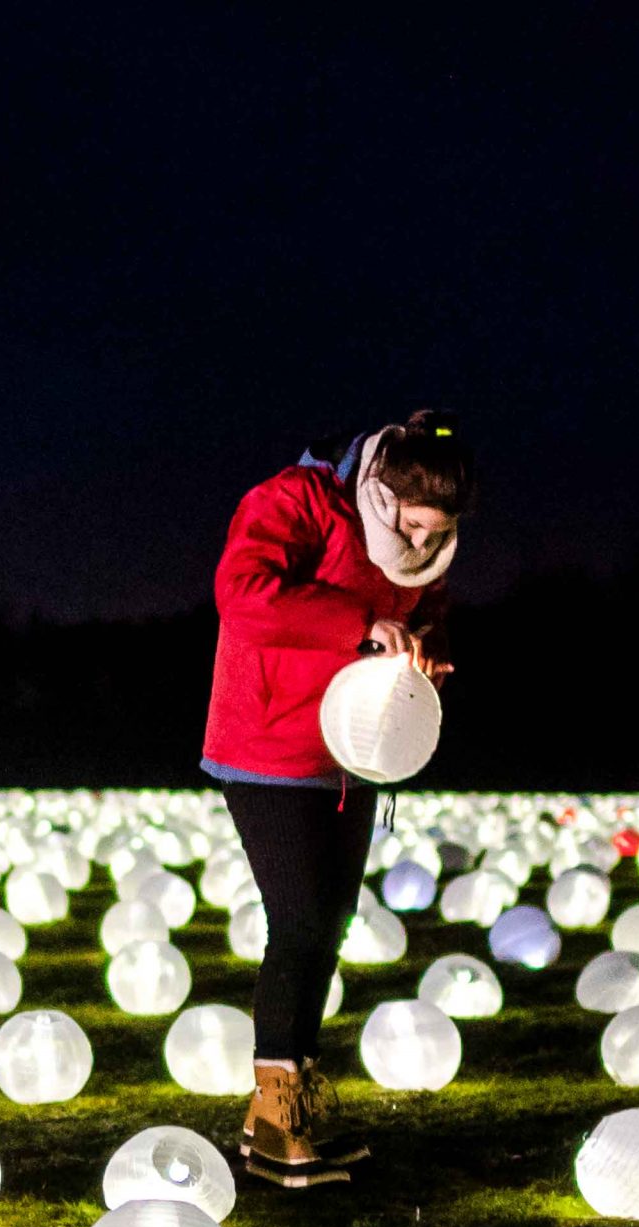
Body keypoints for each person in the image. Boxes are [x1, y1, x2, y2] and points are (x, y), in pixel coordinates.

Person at [200, 409, 472, 1187]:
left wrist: (430, 650)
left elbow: (426, 610)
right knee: (301, 921)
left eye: (437, 534)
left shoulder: (424, 550)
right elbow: (243, 593)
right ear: (384, 495)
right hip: (268, 742)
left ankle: (296, 1108)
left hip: (352, 750)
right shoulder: (296, 500)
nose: (420, 546)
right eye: (412, 527)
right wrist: (362, 622)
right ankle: (272, 1110)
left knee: (332, 926)